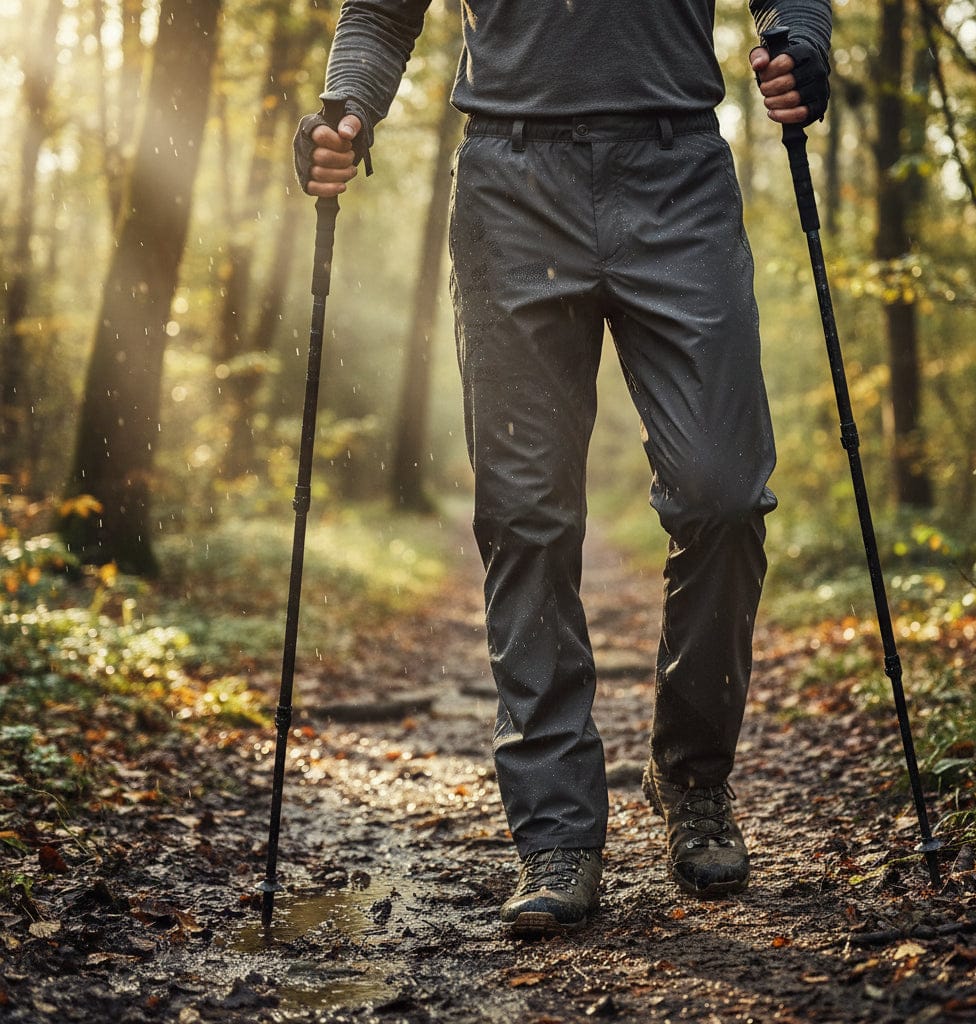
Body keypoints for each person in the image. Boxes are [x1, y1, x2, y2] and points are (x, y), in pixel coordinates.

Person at [294, 0, 831, 935]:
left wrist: (803, 41)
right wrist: (347, 107)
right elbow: (379, 13)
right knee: (526, 515)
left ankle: (693, 777)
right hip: (512, 184)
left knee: (724, 492)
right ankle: (556, 831)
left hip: (678, 175)